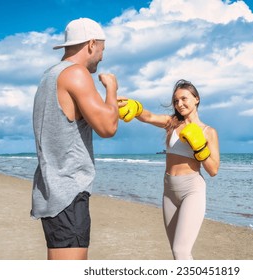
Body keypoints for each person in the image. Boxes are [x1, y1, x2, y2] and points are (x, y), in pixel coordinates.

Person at [31, 18, 119, 260]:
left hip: (52, 188)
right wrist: (111, 89)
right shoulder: (76, 73)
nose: (102, 57)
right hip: (67, 190)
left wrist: (106, 106)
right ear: (91, 44)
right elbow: (108, 127)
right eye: (102, 49)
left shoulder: (49, 75)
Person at [118, 79, 220, 259]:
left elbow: (213, 170)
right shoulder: (171, 123)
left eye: (184, 98)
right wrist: (134, 107)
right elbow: (148, 117)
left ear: (196, 99)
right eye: (176, 101)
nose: (179, 104)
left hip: (192, 190)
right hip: (169, 191)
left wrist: (200, 149)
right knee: (176, 251)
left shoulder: (208, 131)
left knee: (181, 251)